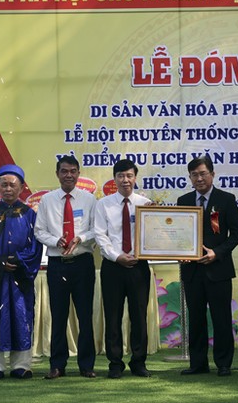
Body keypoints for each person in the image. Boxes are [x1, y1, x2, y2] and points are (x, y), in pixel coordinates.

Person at [178, 156, 238, 377]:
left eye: (203, 173)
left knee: (221, 318)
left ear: (212, 174)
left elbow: (237, 234)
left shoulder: (226, 199)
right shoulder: (184, 200)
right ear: (190, 177)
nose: (199, 178)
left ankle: (223, 363)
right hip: (192, 272)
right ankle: (198, 364)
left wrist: (217, 253)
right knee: (195, 318)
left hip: (219, 270)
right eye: (194, 175)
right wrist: (179, 252)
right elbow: (179, 235)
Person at [35, 155, 98, 379]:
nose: (68, 175)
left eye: (73, 171)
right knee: (58, 316)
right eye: (64, 171)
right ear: (57, 174)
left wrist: (80, 238)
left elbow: (95, 230)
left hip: (82, 264)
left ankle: (87, 365)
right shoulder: (47, 200)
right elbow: (39, 231)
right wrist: (55, 241)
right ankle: (57, 365)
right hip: (57, 264)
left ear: (78, 174)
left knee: (85, 316)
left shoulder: (89, 200)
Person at [0, 164, 42, 380]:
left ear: (22, 187)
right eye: (3, 184)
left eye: (12, 185)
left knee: (22, 317)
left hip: (19, 276)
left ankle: (21, 365)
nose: (7, 189)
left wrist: (18, 261)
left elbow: (35, 246)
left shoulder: (30, 215)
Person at [94, 159, 152, 379]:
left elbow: (152, 236)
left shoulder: (146, 204)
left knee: (139, 316)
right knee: (113, 315)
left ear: (135, 177)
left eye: (129, 175)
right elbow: (100, 235)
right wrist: (117, 256)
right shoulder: (103, 204)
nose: (125, 180)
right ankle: (115, 363)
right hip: (113, 267)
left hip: (139, 266)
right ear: (115, 179)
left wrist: (138, 254)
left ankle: (138, 362)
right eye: (121, 176)